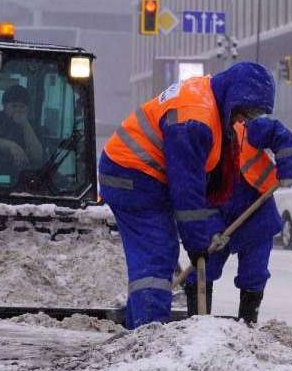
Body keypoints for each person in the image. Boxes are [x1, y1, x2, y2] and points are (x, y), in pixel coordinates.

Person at [97, 61, 276, 329]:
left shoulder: (209, 99)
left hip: (139, 175)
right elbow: (186, 187)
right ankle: (149, 332)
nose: (243, 121)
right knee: (156, 253)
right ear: (234, 97)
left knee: (159, 252)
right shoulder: (196, 120)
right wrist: (196, 242)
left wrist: (198, 235)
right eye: (244, 112)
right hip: (132, 176)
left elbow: (197, 183)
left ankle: (139, 327)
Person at [186, 115, 292, 324]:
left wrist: (288, 167)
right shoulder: (198, 149)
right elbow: (197, 198)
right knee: (203, 269)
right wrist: (213, 228)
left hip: (257, 214)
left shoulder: (247, 129)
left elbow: (279, 134)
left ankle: (248, 325)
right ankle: (196, 325)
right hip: (219, 218)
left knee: (254, 274)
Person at [0, 85, 44, 168]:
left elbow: (37, 156)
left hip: (20, 175)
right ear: (4, 106)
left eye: (22, 106)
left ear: (27, 109)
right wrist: (10, 145)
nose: (18, 110)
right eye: (14, 106)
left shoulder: (32, 126)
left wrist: (25, 124)